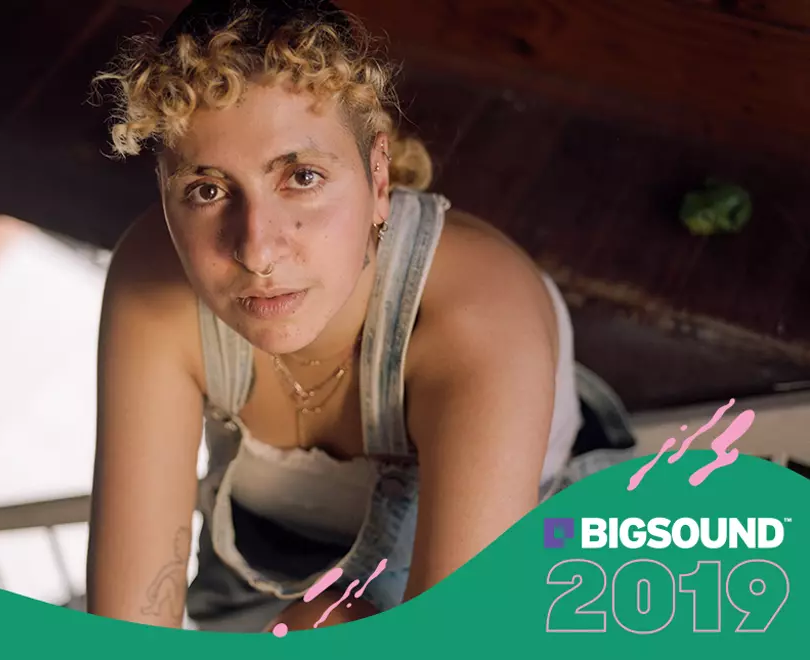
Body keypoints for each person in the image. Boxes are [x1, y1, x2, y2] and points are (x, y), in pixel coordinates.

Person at [85, 0, 632, 633]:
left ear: (378, 179)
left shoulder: (479, 319)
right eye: (207, 190)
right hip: (262, 561)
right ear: (164, 194)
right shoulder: (152, 282)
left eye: (302, 177)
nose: (257, 251)